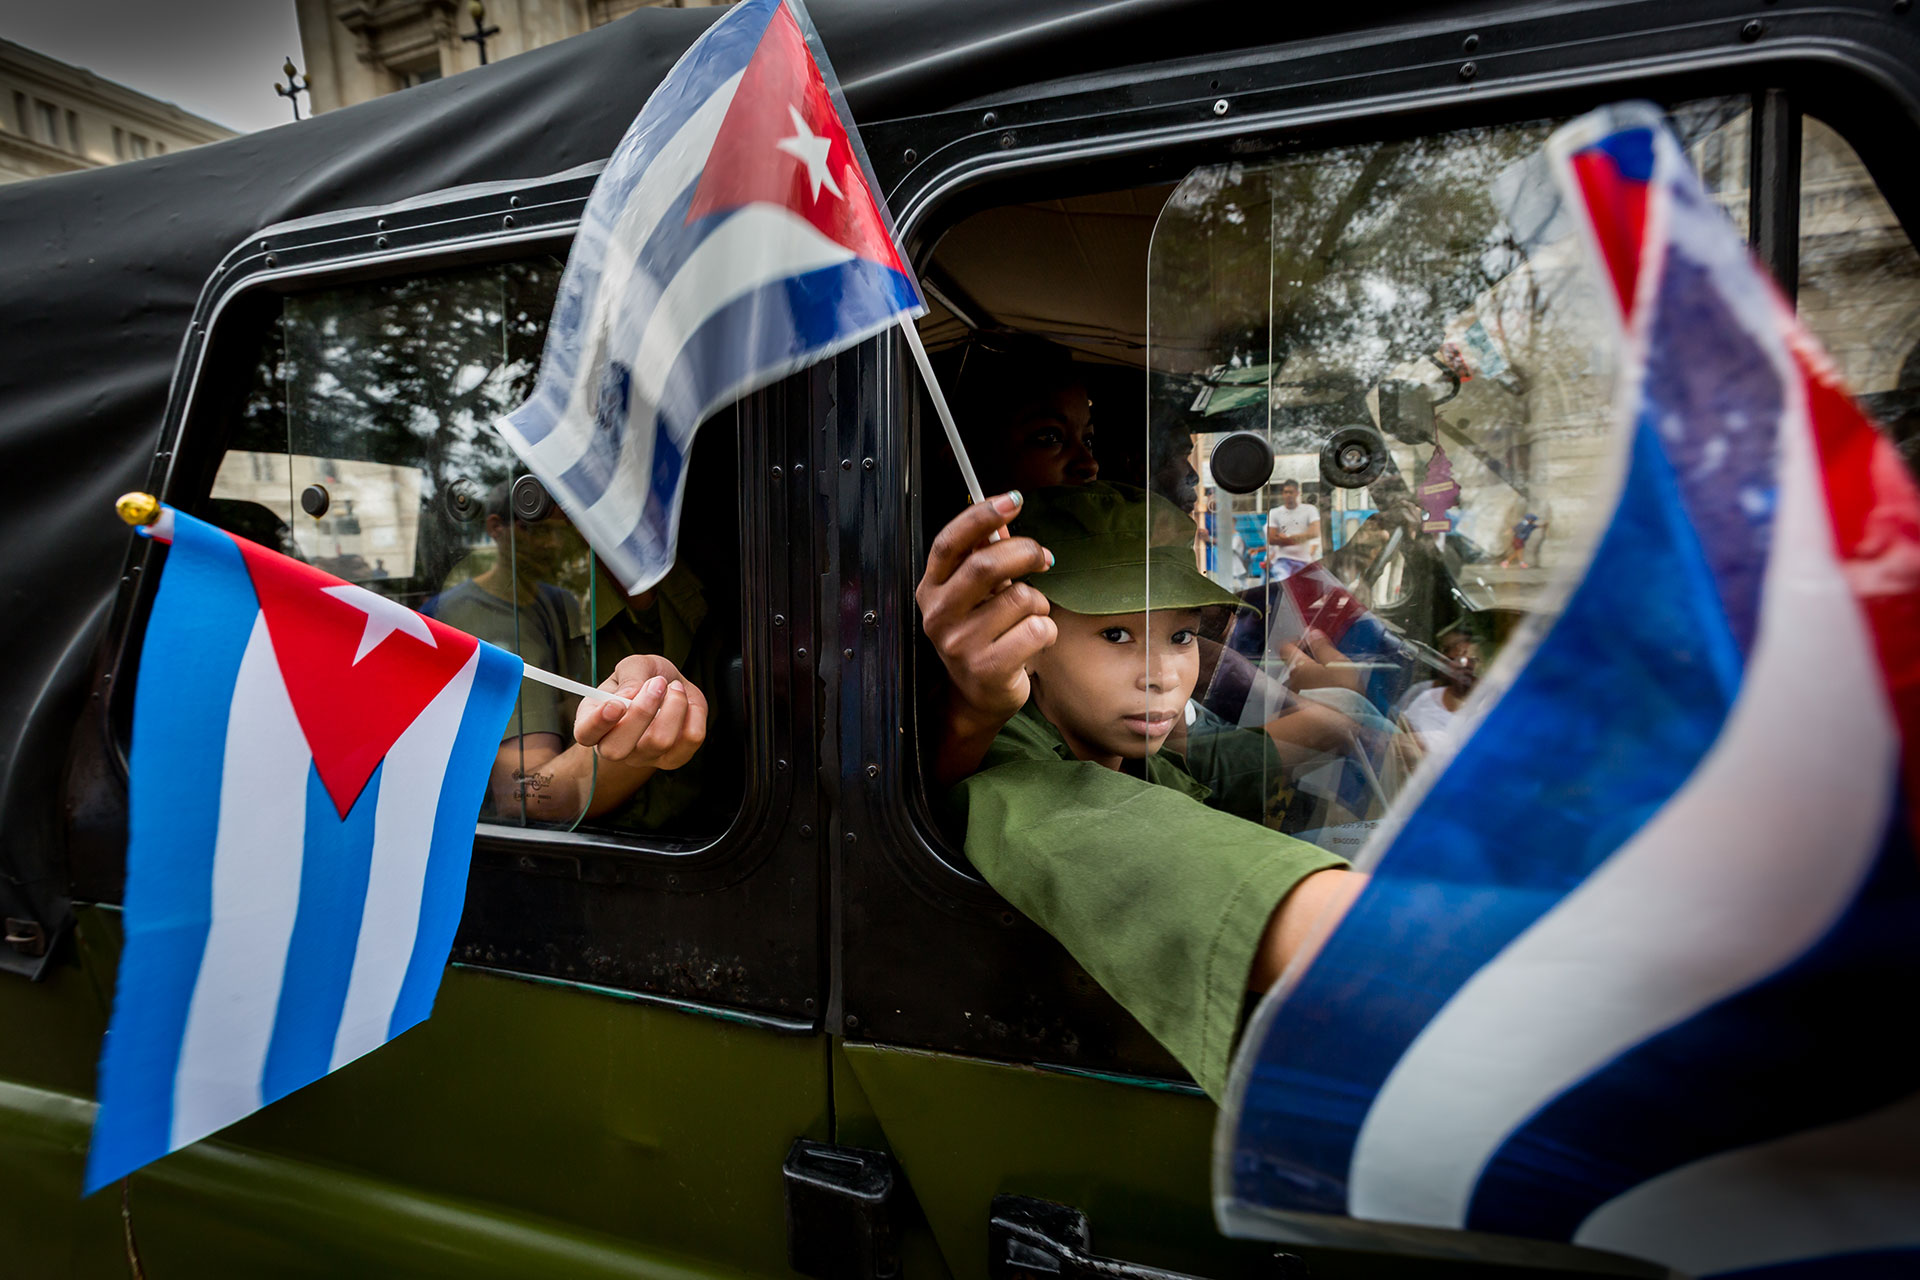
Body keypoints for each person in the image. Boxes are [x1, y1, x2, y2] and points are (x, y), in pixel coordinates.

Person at [917, 483, 1361, 1101]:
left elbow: (1195, 786)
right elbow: (1090, 828)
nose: (1163, 677)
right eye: (1116, 636)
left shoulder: (1120, 748)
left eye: (1181, 637)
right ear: (1023, 641)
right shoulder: (1011, 771)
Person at [427, 482, 713, 827]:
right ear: (495, 528)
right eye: (534, 528)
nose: (550, 543)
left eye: (557, 529)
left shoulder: (563, 599)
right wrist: (647, 720)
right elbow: (522, 793)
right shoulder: (485, 610)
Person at [1265, 478, 1324, 568]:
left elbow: (1314, 533)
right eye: (1286, 492)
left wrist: (1286, 538)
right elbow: (1271, 539)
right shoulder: (1274, 512)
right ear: (1282, 494)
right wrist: (1303, 538)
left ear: (1297, 493)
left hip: (1304, 560)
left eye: (1291, 492)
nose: (1288, 495)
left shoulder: (1310, 510)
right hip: (1282, 560)